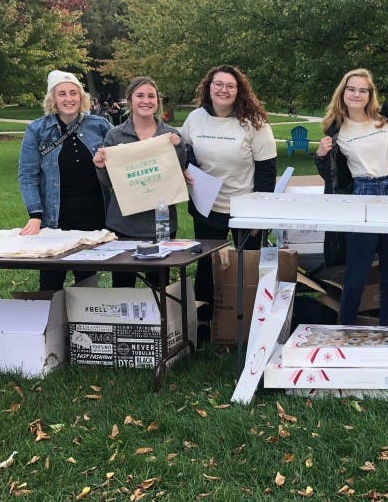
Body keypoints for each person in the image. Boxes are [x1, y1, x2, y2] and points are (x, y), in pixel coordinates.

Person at [180, 64, 277, 330]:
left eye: (230, 86)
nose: (224, 90)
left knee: (247, 267)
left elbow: (267, 170)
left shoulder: (254, 122)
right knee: (206, 266)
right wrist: (187, 167)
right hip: (206, 204)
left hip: (245, 208)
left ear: (239, 90)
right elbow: (184, 151)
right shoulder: (195, 118)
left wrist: (259, 215)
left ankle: (249, 321)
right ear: (208, 88)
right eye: (218, 84)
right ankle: (203, 323)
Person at [315, 68, 388, 326]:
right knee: (356, 274)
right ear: (343, 93)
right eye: (351, 89)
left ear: (370, 95)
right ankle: (345, 329)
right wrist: (321, 156)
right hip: (362, 195)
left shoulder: (386, 121)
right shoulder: (335, 130)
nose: (357, 94)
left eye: (363, 90)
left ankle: (386, 329)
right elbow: (332, 177)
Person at [18, 70, 113, 291]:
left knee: (87, 280)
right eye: (62, 94)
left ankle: (84, 324)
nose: (68, 98)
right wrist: (35, 215)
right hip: (55, 217)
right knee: (51, 281)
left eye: (73, 93)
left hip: (93, 215)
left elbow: (122, 158)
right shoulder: (37, 130)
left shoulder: (100, 125)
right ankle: (52, 325)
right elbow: (27, 174)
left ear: (81, 97)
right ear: (53, 98)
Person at [93, 76, 186, 287]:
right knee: (123, 286)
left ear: (157, 101)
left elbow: (176, 173)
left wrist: (179, 147)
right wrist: (100, 166)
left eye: (151, 96)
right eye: (140, 96)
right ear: (129, 100)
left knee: (160, 286)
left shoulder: (170, 135)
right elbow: (109, 183)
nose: (146, 101)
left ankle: (161, 321)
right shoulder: (115, 135)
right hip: (124, 224)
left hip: (160, 224)